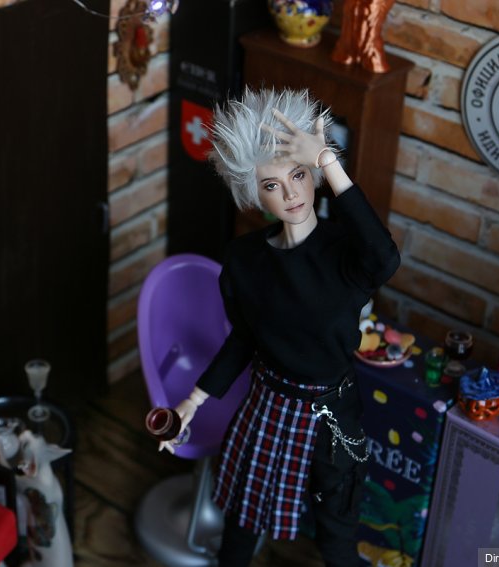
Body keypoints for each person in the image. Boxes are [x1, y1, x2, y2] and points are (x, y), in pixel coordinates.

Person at [160, 88, 400, 567]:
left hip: (332, 415)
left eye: (299, 175)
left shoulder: (347, 254)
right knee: (241, 526)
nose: (291, 194)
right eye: (272, 184)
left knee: (336, 534)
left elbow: (385, 258)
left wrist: (326, 159)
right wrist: (193, 400)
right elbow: (245, 339)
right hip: (267, 406)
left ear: (313, 175)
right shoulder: (244, 261)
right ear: (255, 193)